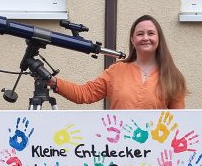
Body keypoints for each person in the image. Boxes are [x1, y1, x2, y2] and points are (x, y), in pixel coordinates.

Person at [48, 14, 187, 109]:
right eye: (140, 34)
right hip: (120, 149)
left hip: (157, 149)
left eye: (151, 33)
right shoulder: (116, 71)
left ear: (159, 38)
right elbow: (85, 93)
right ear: (133, 40)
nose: (145, 37)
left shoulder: (173, 76)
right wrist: (55, 82)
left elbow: (178, 122)